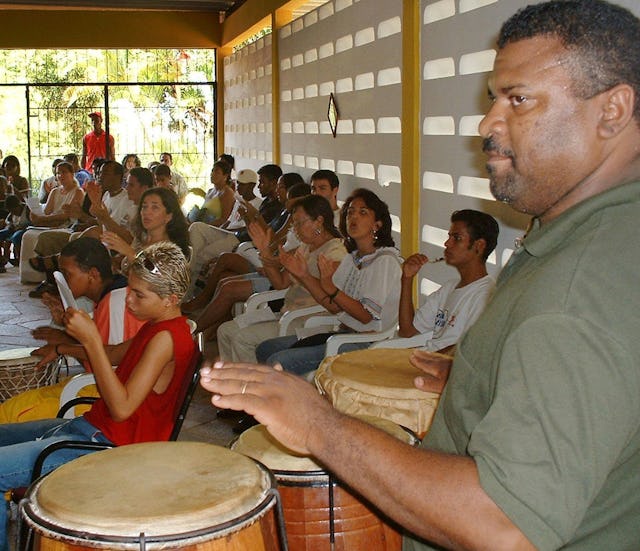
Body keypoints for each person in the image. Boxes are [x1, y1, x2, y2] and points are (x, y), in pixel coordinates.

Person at [201, 1, 640, 548]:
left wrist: (319, 425)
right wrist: (480, 382)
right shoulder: (606, 243)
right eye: (493, 99)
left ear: (612, 111)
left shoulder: (578, 288)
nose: (487, 124)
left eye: (519, 99)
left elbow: (504, 527)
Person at [0, 241, 195, 550]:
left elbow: (121, 408)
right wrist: (62, 347)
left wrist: (91, 340)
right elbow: (115, 352)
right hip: (93, 428)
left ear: (171, 299)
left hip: (108, 444)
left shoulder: (167, 339)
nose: (128, 300)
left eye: (139, 295)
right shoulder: (159, 325)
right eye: (129, 289)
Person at [255, 188, 402, 376]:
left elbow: (366, 316)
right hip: (343, 333)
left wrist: (332, 290)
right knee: (265, 348)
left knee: (279, 361)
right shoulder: (354, 258)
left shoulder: (384, 261)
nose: (353, 217)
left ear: (377, 224)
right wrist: (305, 275)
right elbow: (334, 307)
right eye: (349, 212)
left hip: (365, 343)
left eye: (362, 212)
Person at [0, 237, 146, 423]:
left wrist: (62, 343)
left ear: (92, 275)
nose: (64, 280)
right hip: (95, 386)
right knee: (13, 406)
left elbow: (111, 363)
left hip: (102, 399)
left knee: (10, 414)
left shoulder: (117, 301)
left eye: (67, 274)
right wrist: (65, 326)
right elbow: (99, 352)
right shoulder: (105, 298)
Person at [217, 194, 347, 364]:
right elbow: (280, 283)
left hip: (309, 320)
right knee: (225, 330)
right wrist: (264, 251)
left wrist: (304, 275)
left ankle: (252, 387)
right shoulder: (306, 247)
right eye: (294, 224)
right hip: (287, 312)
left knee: (242, 340)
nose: (296, 230)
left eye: (299, 223)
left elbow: (333, 301)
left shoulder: (335, 253)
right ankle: (232, 382)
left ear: (319, 221)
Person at [187, 183, 319, 338]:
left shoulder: (313, 233)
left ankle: (195, 329)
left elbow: (283, 272)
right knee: (225, 278)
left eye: (320, 189)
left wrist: (267, 256)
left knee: (228, 279)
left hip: (281, 281)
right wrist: (268, 255)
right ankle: (207, 327)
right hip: (274, 267)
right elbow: (276, 241)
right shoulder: (291, 217)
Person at [398, 209, 498, 354]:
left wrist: (427, 361)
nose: (447, 243)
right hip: (428, 361)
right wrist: (407, 279)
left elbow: (467, 350)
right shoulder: (449, 288)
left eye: (457, 238)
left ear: (479, 246)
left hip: (443, 370)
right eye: (449, 237)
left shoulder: (485, 295)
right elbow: (407, 331)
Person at [187, 164, 284, 294]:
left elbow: (261, 232)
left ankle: (188, 288)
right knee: (196, 227)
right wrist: (245, 215)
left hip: (240, 238)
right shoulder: (265, 202)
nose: (259, 185)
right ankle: (191, 269)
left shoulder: (273, 207)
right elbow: (231, 221)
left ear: (273, 183)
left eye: (262, 182)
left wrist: (252, 214)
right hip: (233, 233)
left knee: (202, 254)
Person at [102, 187, 190, 267]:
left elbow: (155, 276)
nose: (146, 212)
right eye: (144, 207)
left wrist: (129, 252)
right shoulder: (141, 238)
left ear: (169, 216)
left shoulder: (171, 250)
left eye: (155, 207)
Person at [0, 195, 29, 271]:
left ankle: (20, 260)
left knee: (16, 237)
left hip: (25, 229)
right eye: (11, 211)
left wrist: (23, 227)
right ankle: (1, 261)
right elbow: (8, 220)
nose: (13, 213)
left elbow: (34, 222)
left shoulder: (27, 210)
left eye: (14, 210)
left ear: (18, 206)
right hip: (14, 229)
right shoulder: (11, 213)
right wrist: (10, 225)